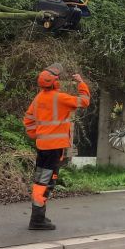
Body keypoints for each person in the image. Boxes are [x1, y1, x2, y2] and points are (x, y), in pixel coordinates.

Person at [22, 63, 90, 230]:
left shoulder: (38, 99)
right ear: (54, 82)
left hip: (43, 147)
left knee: (40, 181)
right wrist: (81, 82)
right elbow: (85, 101)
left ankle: (37, 217)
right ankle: (37, 220)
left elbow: (28, 121)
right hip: (54, 150)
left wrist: (36, 136)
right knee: (46, 183)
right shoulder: (60, 98)